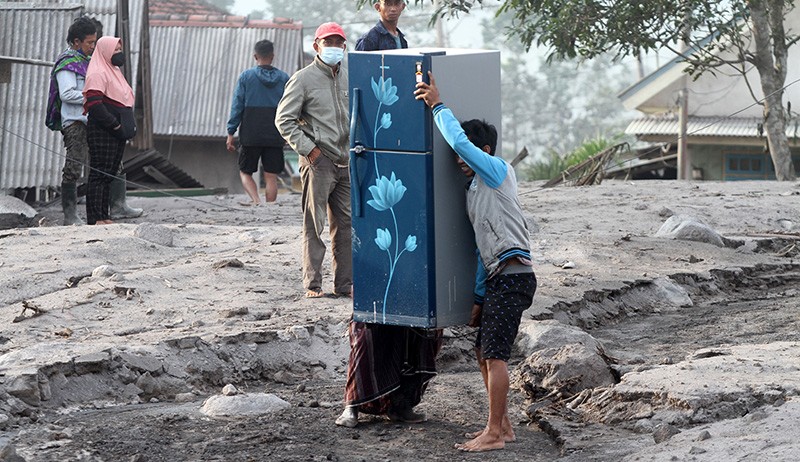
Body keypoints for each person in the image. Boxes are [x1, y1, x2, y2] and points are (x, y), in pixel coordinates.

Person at [414, 72, 538, 452]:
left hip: (514, 275)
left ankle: (495, 434)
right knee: (485, 354)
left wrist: (437, 104)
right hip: (502, 277)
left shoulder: (496, 170)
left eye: (465, 152)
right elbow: (482, 250)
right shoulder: (476, 191)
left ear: (482, 150)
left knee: (496, 355)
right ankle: (504, 426)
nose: (458, 159)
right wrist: (479, 298)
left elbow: (458, 140)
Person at [333, 5, 441, 429]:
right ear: (377, 6)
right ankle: (355, 402)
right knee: (372, 315)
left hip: (403, 185)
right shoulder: (370, 43)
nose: (394, 6)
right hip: (377, 179)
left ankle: (400, 401)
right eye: (387, 0)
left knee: (412, 314)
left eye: (399, 0)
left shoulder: (403, 42)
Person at [275, 22, 352, 299]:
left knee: (345, 226)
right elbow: (284, 120)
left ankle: (344, 284)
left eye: (338, 42)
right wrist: (310, 150)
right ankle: (313, 284)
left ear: (344, 46)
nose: (333, 47)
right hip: (318, 162)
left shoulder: (349, 76)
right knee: (314, 224)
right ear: (316, 46)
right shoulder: (303, 79)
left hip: (346, 162)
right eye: (328, 42)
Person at [46, 17, 98, 225]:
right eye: (89, 43)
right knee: (74, 166)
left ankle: (115, 207)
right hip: (75, 122)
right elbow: (67, 94)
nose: (93, 47)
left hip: (91, 120)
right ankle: (70, 215)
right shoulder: (68, 63)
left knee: (108, 162)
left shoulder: (88, 62)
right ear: (76, 42)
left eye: (95, 43)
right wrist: (92, 97)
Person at [226, 40, 290, 206]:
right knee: (271, 176)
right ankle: (270, 206)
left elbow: (237, 105)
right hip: (275, 133)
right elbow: (291, 106)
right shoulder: (284, 78)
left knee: (245, 171)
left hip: (250, 133)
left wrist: (230, 132)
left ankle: (256, 201)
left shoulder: (246, 77)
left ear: (255, 56)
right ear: (272, 56)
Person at [83, 36, 136, 225]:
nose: (118, 54)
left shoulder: (114, 71)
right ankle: (95, 217)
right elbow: (95, 104)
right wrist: (115, 125)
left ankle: (104, 216)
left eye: (120, 49)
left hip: (116, 133)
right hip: (103, 131)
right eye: (115, 50)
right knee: (99, 173)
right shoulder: (97, 72)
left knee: (109, 174)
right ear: (105, 51)